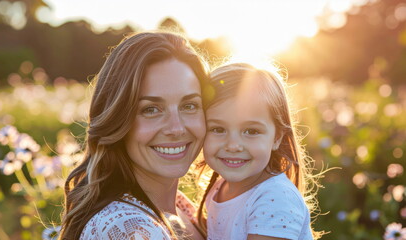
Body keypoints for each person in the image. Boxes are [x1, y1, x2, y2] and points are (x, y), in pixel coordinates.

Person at [60, 31, 209, 240]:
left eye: (189, 105)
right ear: (117, 119)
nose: (176, 128)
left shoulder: (181, 208)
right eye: (151, 109)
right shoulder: (130, 231)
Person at [197, 63, 320, 240]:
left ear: (277, 137)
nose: (233, 145)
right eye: (218, 129)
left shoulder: (276, 198)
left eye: (251, 131)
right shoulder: (220, 187)